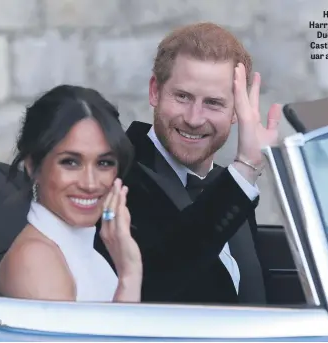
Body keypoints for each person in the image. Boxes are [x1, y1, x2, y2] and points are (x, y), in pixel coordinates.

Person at [94, 22, 281, 304]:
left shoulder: (228, 184)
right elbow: (155, 285)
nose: (194, 118)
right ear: (155, 91)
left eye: (214, 103)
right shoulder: (114, 173)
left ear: (236, 112)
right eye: (182, 97)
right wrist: (244, 170)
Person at [0, 85, 143, 302]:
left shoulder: (85, 253)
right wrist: (130, 276)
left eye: (104, 163)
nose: (90, 184)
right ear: (32, 166)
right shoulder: (35, 260)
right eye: (71, 162)